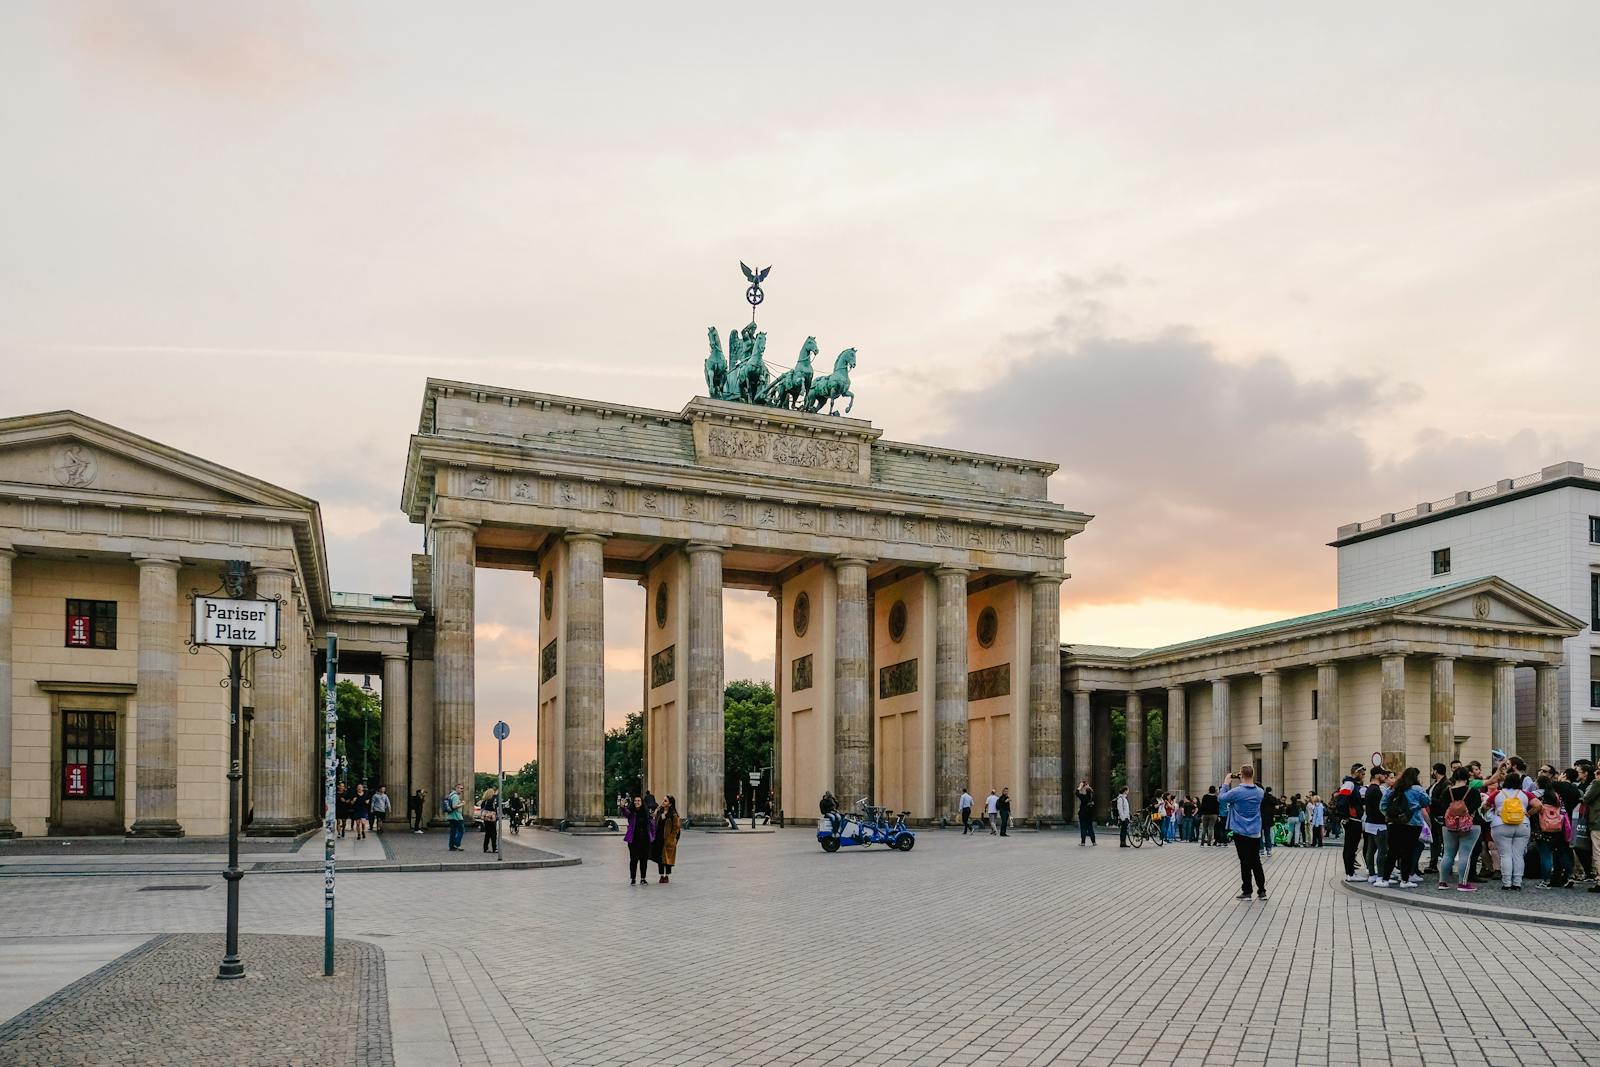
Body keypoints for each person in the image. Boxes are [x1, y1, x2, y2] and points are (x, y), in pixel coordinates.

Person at [1219, 767, 1267, 900]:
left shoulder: (1237, 792)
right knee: (1256, 861)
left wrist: (1225, 783)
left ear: (1241, 775)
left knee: (1244, 862)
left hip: (1240, 830)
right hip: (1255, 830)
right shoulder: (1260, 792)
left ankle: (1247, 891)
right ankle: (1262, 891)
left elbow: (1221, 799)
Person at [1380, 767, 1429, 888]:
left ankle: (1385, 879)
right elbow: (1427, 802)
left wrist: (1391, 816)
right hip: (1413, 824)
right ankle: (1404, 880)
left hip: (1394, 824)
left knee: (1392, 851)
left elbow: (1383, 805)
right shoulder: (1417, 789)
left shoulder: (1394, 787)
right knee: (1408, 852)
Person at [1487, 768, 1533, 890]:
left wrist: (1493, 812)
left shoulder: (1497, 794)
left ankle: (1506, 882)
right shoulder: (1525, 794)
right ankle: (1517, 882)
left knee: (1505, 855)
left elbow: (1485, 806)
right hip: (1522, 824)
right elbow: (1538, 805)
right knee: (1518, 855)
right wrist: (1529, 813)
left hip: (1501, 825)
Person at [1437, 766, 1483, 892]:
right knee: (1465, 854)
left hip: (1449, 825)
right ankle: (1462, 883)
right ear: (1467, 777)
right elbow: (1477, 805)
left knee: (1447, 854)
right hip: (1469, 825)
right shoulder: (1472, 791)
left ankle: (1442, 882)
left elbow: (1441, 806)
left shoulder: (1447, 792)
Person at [1533, 776, 1571, 889]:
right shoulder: (1556, 796)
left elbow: (1534, 808)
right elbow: (1563, 811)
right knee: (1560, 853)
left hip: (1542, 828)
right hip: (1557, 828)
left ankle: (1546, 880)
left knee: (1545, 855)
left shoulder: (1537, 795)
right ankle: (1569, 875)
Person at [1339, 766, 1367, 881]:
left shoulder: (1352, 784)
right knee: (1350, 847)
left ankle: (1350, 872)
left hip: (1353, 819)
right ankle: (1350, 873)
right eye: (1362, 773)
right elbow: (1342, 800)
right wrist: (1346, 815)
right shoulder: (1349, 784)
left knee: (1351, 847)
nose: (1363, 776)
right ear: (1357, 772)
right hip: (1352, 820)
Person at [1364, 767, 1390, 885]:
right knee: (1382, 850)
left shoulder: (1370, 789)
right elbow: (1380, 808)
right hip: (1379, 824)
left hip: (1370, 824)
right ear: (1377, 775)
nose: (1385, 776)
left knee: (1371, 850)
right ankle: (1380, 877)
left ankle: (1372, 874)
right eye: (1383, 774)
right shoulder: (1376, 790)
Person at [623, 794, 655, 885]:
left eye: (638, 801)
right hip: (634, 840)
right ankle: (633, 879)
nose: (637, 802)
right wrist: (622, 807)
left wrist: (652, 837)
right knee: (633, 860)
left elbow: (652, 825)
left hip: (645, 840)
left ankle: (643, 878)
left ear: (642, 802)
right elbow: (626, 813)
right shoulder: (631, 812)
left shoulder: (646, 812)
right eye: (635, 801)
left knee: (644, 860)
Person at [1423, 763, 1449, 875]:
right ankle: (1433, 864)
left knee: (1443, 841)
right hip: (1433, 815)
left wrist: (1430, 800)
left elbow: (1444, 800)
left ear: (1436, 771)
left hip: (1440, 815)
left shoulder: (1446, 784)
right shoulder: (1435, 784)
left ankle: (1445, 865)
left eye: (1432, 770)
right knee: (1435, 841)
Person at [654, 795, 681, 883]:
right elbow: (655, 823)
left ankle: (667, 876)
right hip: (659, 837)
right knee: (660, 857)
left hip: (668, 839)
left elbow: (676, 828)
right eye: (663, 800)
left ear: (670, 804)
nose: (663, 802)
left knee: (668, 857)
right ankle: (661, 875)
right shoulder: (660, 811)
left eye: (665, 801)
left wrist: (672, 839)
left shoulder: (673, 814)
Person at [443, 783, 466, 851]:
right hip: (457, 817)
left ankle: (451, 846)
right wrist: (462, 804)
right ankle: (457, 844)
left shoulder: (451, 795)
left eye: (462, 788)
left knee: (453, 831)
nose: (462, 790)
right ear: (457, 788)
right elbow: (454, 806)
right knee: (461, 830)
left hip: (450, 816)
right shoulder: (455, 796)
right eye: (461, 788)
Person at [1075, 780, 1097, 845]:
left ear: (1085, 790)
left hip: (1082, 814)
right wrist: (1088, 787)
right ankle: (1094, 842)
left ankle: (1083, 842)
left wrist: (1080, 786)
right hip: (1089, 815)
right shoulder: (1092, 797)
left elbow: (1076, 793)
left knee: (1083, 828)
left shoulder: (1084, 797)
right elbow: (1092, 792)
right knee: (1090, 828)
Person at [479, 785, 499, 853]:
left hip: (485, 818)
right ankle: (494, 848)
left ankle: (485, 848)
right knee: (494, 833)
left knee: (487, 833)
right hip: (491, 818)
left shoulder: (484, 802)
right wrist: (495, 795)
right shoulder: (491, 800)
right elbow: (493, 805)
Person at [1259, 788, 1278, 857]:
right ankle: (1269, 850)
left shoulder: (1261, 797)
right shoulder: (1272, 798)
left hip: (1260, 817)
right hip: (1269, 818)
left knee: (1260, 834)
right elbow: (1276, 807)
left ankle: (1261, 849)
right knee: (1267, 834)